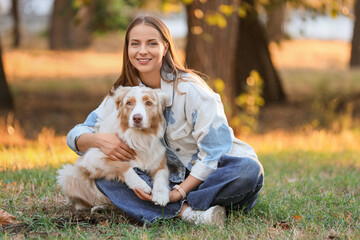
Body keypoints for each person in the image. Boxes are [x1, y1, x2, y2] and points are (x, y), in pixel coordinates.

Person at [66, 15, 264, 226]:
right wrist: (99, 141)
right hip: (161, 182)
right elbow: (78, 133)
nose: (142, 51)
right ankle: (192, 214)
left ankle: (174, 208)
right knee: (104, 175)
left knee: (248, 171)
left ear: (166, 47)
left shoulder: (191, 91)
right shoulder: (123, 94)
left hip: (211, 180)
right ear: (127, 50)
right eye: (135, 44)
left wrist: (178, 192)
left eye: (152, 43)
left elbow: (214, 154)